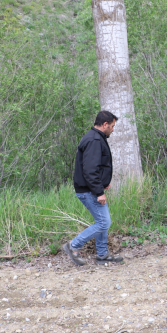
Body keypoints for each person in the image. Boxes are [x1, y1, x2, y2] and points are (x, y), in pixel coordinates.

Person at [63, 111, 124, 266]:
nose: (113, 129)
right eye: (112, 126)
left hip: (91, 188)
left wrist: (103, 183)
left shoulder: (95, 138)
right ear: (105, 124)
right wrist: (99, 191)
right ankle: (73, 245)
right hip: (89, 190)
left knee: (102, 220)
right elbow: (90, 170)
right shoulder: (94, 140)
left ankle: (102, 255)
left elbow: (96, 167)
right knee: (104, 222)